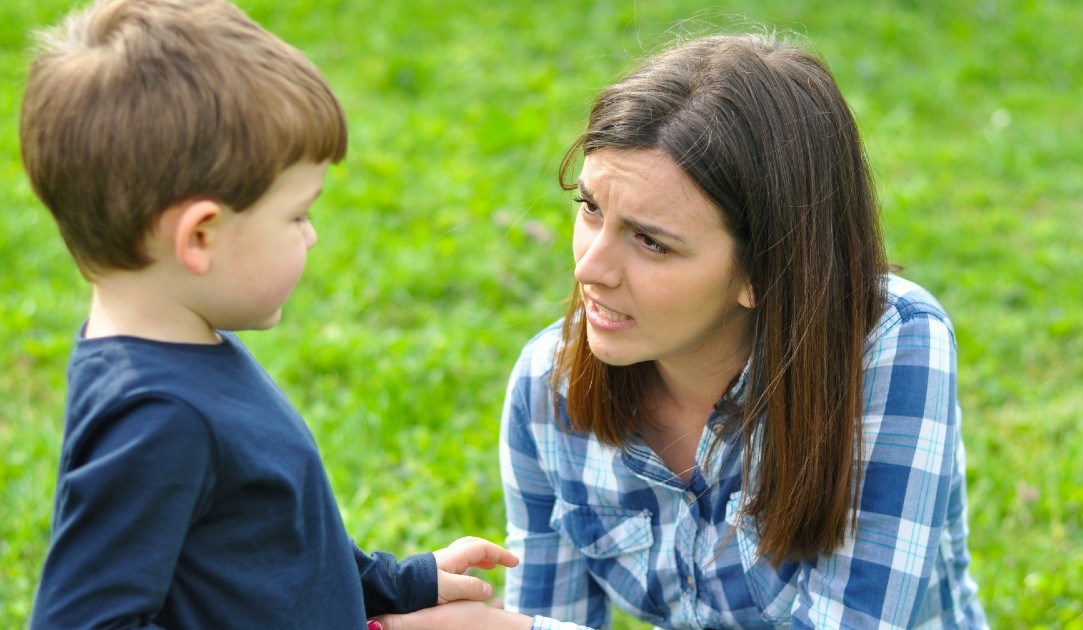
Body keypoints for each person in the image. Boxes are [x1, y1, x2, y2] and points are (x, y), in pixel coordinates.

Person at [379, 33, 988, 630]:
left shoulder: (889, 349)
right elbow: (556, 607)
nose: (588, 268)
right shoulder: (548, 387)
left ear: (766, 271)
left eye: (651, 241)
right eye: (590, 208)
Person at [21, 0, 517, 627]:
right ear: (200, 237)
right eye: (298, 215)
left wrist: (398, 582)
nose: (311, 236)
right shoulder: (158, 419)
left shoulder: (181, 348)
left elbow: (263, 549)